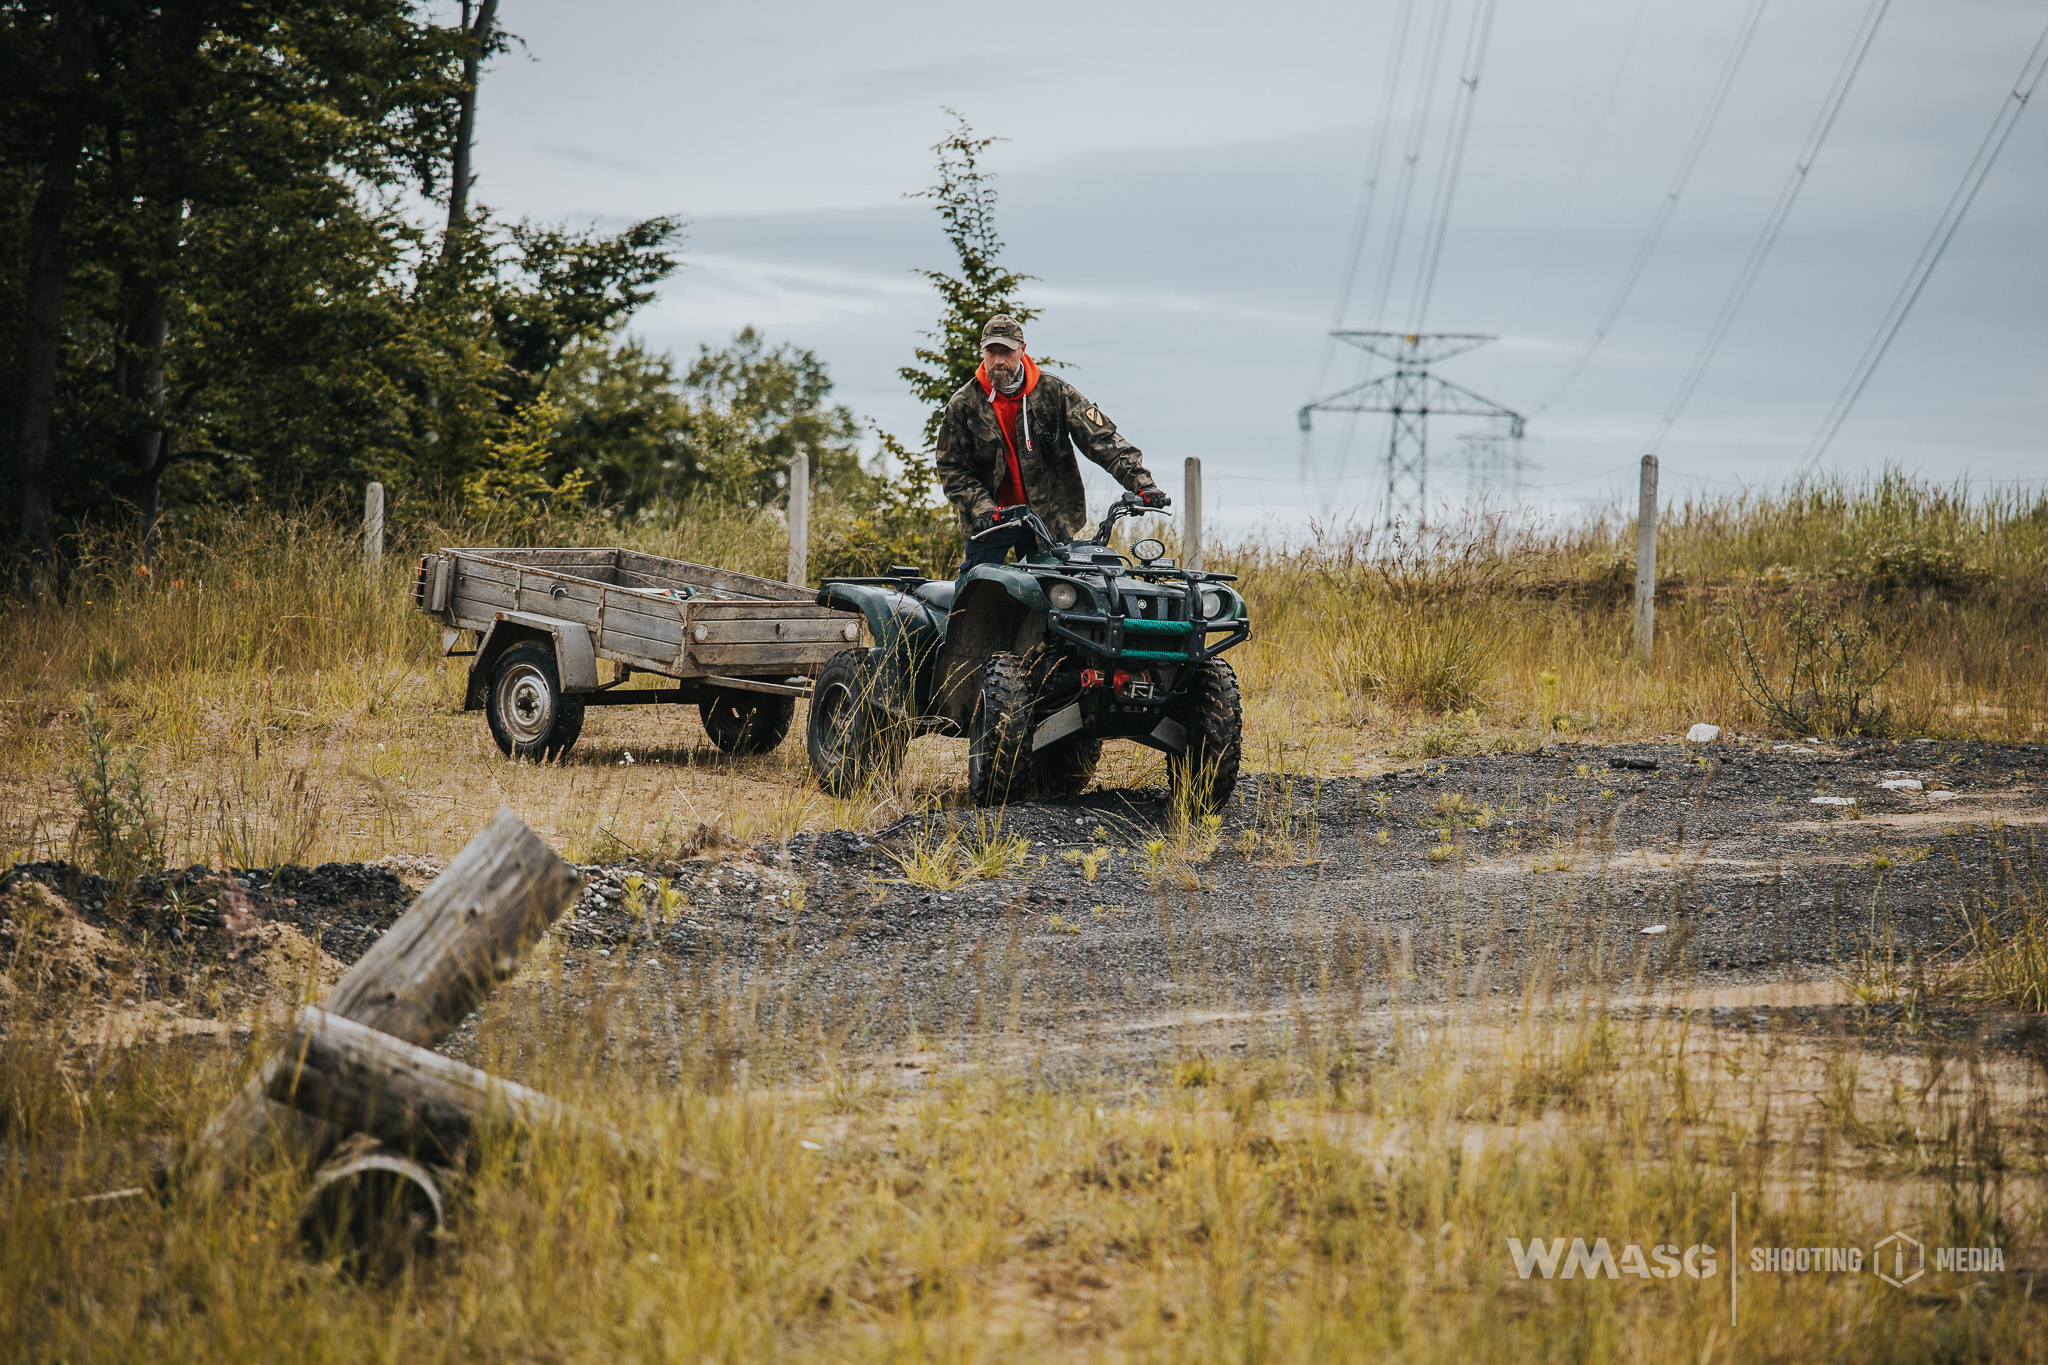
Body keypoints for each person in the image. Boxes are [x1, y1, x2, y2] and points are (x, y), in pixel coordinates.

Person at [935, 315, 1168, 577]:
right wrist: (983, 508)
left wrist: (1142, 483)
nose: (999, 360)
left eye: (1007, 352)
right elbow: (950, 467)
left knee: (1063, 598)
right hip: (991, 523)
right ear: (983, 351)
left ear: (1022, 350)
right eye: (992, 351)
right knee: (973, 594)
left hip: (1048, 520)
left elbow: (1101, 440)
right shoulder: (964, 404)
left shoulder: (1055, 391)